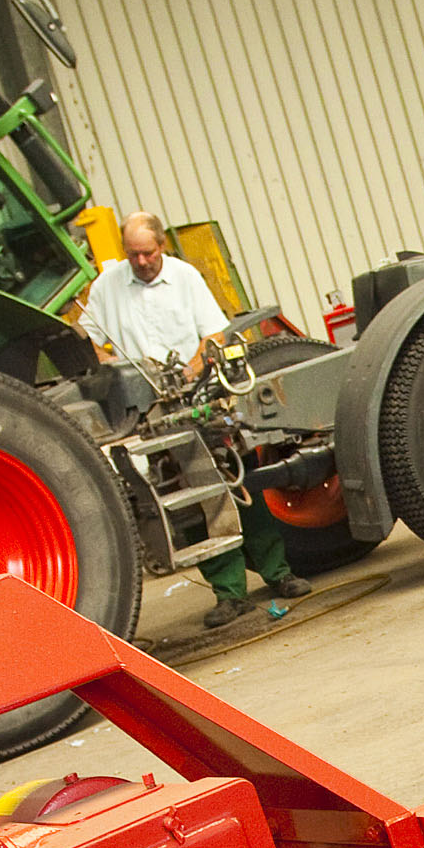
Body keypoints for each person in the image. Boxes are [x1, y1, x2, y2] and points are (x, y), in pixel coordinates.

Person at [78, 211, 314, 629]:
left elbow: (214, 335)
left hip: (200, 396)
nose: (140, 262)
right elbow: (89, 343)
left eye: (148, 253)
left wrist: (190, 369)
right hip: (150, 411)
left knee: (240, 485)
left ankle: (278, 573)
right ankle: (229, 593)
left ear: (162, 246)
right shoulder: (107, 286)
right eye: (132, 255)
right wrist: (118, 370)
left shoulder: (185, 278)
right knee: (190, 504)